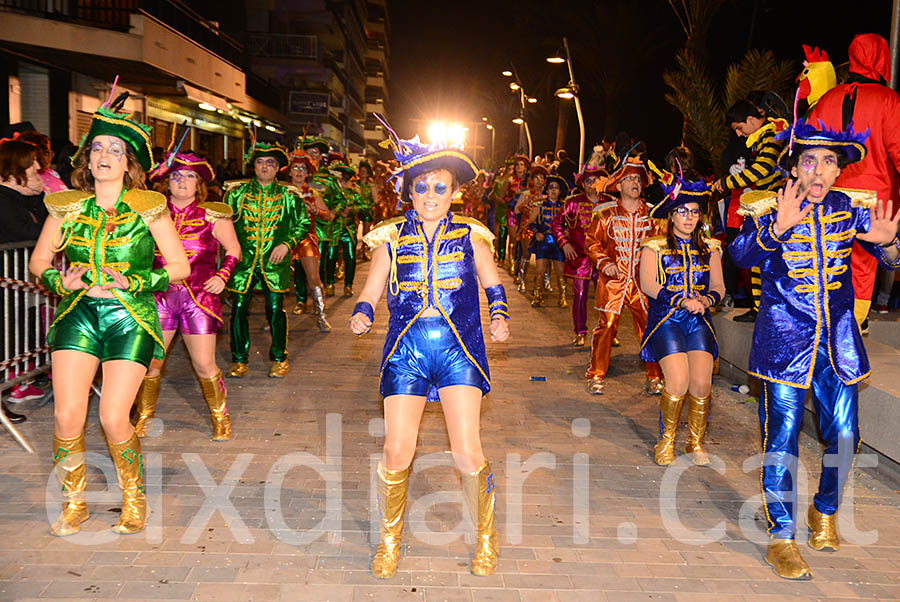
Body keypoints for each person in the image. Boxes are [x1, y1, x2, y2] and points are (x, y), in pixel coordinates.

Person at [729, 121, 900, 580]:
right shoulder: (771, 207)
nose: (820, 171)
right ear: (794, 167)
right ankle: (780, 536)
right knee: (781, 440)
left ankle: (823, 510)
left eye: (829, 162)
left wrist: (891, 248)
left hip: (839, 343)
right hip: (784, 342)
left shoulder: (849, 208)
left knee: (846, 436)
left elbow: (889, 250)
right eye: (810, 161)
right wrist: (776, 229)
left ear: (839, 170)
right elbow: (740, 257)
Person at [350, 131, 508, 579]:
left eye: (440, 187)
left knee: (465, 451)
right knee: (397, 449)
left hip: (461, 352)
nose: (430, 196)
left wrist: (499, 316)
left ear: (455, 191)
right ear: (409, 191)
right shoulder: (390, 239)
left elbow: (493, 286)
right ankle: (389, 542)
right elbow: (371, 291)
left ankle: (485, 537)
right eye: (421, 187)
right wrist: (362, 314)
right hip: (406, 352)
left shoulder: (472, 235)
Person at [28, 101, 190, 536]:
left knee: (114, 417)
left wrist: (135, 279)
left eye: (115, 150)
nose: (104, 156)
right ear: (87, 159)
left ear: (128, 162)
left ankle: (134, 498)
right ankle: (74, 502)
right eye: (97, 148)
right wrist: (63, 281)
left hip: (129, 318)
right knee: (66, 415)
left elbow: (179, 267)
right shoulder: (67, 207)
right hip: (78, 316)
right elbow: (40, 260)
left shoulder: (148, 208)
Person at [130, 150, 241, 441]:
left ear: (199, 183)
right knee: (152, 361)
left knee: (204, 363)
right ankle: (144, 416)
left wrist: (222, 275)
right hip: (159, 296)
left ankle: (220, 418)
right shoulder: (150, 214)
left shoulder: (213, 215)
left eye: (189, 176)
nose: (182, 181)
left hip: (199, 298)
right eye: (176, 175)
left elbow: (234, 250)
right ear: (167, 182)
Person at [809, 33, 900, 326]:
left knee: (825, 261)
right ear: (882, 59)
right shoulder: (888, 99)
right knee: (862, 266)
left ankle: (825, 326)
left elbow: (806, 150)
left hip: (828, 194)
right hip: (874, 197)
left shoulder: (828, 98)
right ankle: (851, 328)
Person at [639, 175, 723, 465]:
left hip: (698, 320)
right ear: (671, 214)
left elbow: (719, 288)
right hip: (667, 320)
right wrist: (680, 301)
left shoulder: (710, 248)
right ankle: (667, 440)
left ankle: (695, 442)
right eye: (683, 211)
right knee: (678, 381)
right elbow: (648, 285)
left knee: (701, 384)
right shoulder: (654, 247)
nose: (689, 217)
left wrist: (706, 300)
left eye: (694, 211)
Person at [223, 141, 310, 378]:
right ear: (253, 166)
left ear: (278, 168)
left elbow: (303, 224)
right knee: (239, 308)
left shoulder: (288, 195)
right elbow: (221, 222)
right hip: (243, 263)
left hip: (274, 263)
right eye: (260, 162)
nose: (265, 167)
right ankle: (239, 360)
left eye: (270, 163)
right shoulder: (235, 193)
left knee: (275, 309)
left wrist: (287, 244)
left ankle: (280, 357)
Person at [583, 158, 663, 394]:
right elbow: (592, 243)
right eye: (629, 178)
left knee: (650, 327)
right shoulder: (604, 214)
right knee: (606, 326)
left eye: (638, 178)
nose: (635, 182)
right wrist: (605, 262)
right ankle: (596, 374)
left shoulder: (653, 215)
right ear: (618, 186)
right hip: (613, 283)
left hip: (644, 283)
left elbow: (662, 245)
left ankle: (654, 376)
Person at [714, 100, 788, 323]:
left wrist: (728, 182)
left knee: (766, 257)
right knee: (759, 257)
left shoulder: (772, 132)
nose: (739, 133)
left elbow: (762, 168)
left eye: (739, 127)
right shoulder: (763, 135)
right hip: (765, 205)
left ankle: (764, 308)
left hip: (774, 205)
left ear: (751, 120)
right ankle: (759, 307)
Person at [0, 136, 46, 420]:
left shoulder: (21, 198)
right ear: (16, 168)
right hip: (6, 281)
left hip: (17, 283)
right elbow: (30, 234)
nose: (39, 168)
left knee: (13, 337)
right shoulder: (4, 200)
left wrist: (38, 197)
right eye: (33, 165)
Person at [552, 163, 605, 346]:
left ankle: (608, 331)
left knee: (607, 296)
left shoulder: (610, 203)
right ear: (582, 184)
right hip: (580, 258)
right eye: (588, 181)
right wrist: (564, 244)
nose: (592, 184)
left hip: (604, 259)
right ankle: (580, 331)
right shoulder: (572, 203)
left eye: (595, 180)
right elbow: (556, 225)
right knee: (580, 294)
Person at [287, 149, 333, 331]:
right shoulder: (282, 191)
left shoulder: (313, 192)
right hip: (285, 239)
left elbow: (328, 216)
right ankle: (272, 318)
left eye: (302, 169)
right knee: (276, 280)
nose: (299, 172)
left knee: (314, 278)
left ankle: (321, 316)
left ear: (307, 173)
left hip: (306, 239)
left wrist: (316, 211)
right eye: (295, 168)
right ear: (289, 171)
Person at [325, 161, 370, 297]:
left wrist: (352, 209)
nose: (343, 182)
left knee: (350, 257)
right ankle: (330, 283)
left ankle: (348, 285)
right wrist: (336, 211)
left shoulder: (354, 194)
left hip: (349, 230)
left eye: (345, 179)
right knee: (331, 256)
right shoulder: (331, 193)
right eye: (340, 179)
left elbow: (366, 206)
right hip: (334, 229)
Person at [526, 174, 568, 307]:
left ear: (560, 191)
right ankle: (538, 297)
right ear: (547, 190)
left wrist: (567, 232)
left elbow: (571, 223)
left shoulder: (565, 206)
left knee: (560, 271)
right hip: (543, 241)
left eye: (556, 188)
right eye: (551, 188)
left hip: (559, 242)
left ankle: (562, 297)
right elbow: (531, 223)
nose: (553, 190)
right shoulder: (540, 205)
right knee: (540, 271)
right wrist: (537, 233)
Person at [513, 164, 548, 292]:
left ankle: (544, 282)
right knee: (526, 254)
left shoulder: (546, 195)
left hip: (542, 229)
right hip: (527, 227)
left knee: (544, 257)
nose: (539, 181)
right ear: (532, 180)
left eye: (541, 178)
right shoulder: (525, 193)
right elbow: (516, 210)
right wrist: (525, 204)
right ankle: (521, 279)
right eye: (536, 178)